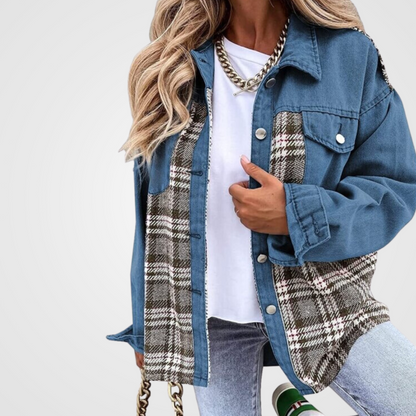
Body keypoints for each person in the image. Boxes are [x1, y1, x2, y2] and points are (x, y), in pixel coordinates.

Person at [106, 0, 416, 415]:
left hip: (323, 303)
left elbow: (394, 187)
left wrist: (296, 213)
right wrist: (147, 326)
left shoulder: (348, 54)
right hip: (211, 323)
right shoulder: (172, 64)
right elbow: (152, 212)